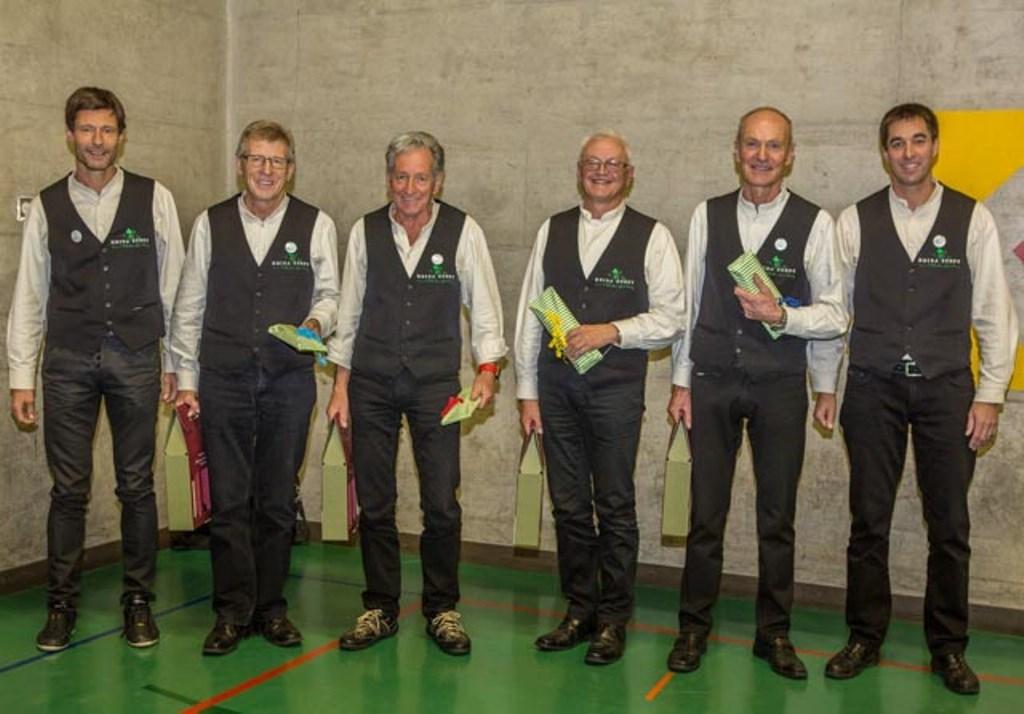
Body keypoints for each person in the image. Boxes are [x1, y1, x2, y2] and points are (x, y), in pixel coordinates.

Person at [825, 103, 1018, 695]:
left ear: (934, 146)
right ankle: (864, 636)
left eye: (917, 141)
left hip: (947, 389)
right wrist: (826, 385)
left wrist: (990, 395)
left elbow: (995, 313)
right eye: (896, 143)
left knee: (950, 526)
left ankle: (949, 648)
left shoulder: (972, 219)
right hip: (872, 387)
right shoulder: (854, 222)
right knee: (869, 521)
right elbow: (835, 314)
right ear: (884, 152)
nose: (907, 153)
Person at [665, 107, 847, 679]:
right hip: (713, 380)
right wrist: (680, 381)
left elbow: (836, 315)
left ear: (789, 155)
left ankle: (774, 634)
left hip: (779, 386)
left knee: (777, 517)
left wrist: (786, 321)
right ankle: (693, 627)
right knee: (705, 515)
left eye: (773, 146)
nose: (761, 156)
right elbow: (691, 303)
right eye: (752, 144)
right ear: (736, 150)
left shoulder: (816, 223)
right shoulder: (708, 215)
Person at [7, 86, 185, 651]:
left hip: (136, 356)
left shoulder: (154, 198)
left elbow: (176, 288)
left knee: (136, 486)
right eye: (87, 129)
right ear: (70, 136)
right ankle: (61, 605)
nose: (97, 140)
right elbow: (29, 295)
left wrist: (176, 363)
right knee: (69, 490)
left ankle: (138, 602)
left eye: (107, 129)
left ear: (120, 136)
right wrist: (20, 376)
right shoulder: (47, 205)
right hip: (66, 361)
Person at [327, 131, 506, 656]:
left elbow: (486, 310)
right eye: (401, 176)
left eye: (420, 177)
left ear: (438, 181)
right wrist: (340, 386)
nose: (409, 187)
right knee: (376, 503)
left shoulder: (463, 231)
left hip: (435, 387)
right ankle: (380, 607)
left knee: (441, 503)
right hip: (371, 382)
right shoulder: (365, 232)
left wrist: (487, 371)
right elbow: (349, 314)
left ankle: (442, 609)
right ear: (389, 179)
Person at [514, 131, 685, 665]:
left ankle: (613, 619)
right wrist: (527, 393)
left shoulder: (652, 236)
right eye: (593, 162)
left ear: (628, 174)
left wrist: (612, 330)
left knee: (614, 506)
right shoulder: (553, 229)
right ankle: (579, 610)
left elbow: (672, 319)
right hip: (556, 390)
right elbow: (530, 312)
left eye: (613, 164)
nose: (602, 171)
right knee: (568, 506)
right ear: (579, 169)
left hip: (615, 392)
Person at [171, 120, 340, 656]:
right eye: (256, 159)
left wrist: (317, 322)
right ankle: (231, 611)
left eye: (277, 161)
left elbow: (332, 294)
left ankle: (271, 608)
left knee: (275, 501)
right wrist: (187, 380)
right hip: (223, 379)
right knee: (229, 502)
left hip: (289, 381)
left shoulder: (316, 224)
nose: (266, 170)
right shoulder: (210, 223)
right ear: (240, 164)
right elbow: (189, 305)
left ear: (291, 169)